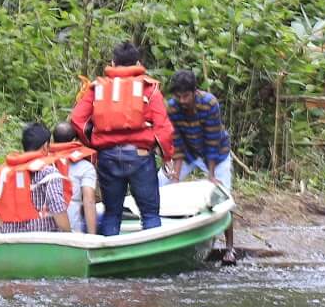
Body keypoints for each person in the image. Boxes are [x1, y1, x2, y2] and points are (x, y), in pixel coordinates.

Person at [68, 41, 175, 235]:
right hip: (140, 156)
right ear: (138, 62)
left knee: (112, 213)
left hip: (107, 156)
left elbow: (77, 119)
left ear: (112, 62)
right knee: (150, 214)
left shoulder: (96, 88)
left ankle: (110, 258)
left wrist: (92, 141)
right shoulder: (149, 88)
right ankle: (151, 259)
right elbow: (163, 129)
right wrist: (168, 157)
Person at [166, 68, 237, 265]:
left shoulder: (209, 103)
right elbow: (177, 141)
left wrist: (211, 175)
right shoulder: (172, 108)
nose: (182, 100)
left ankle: (230, 249)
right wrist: (175, 175)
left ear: (195, 92)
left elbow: (212, 139)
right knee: (162, 186)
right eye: (178, 96)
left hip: (217, 153)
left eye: (186, 96)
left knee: (223, 196)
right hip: (189, 152)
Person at [0, 121, 73, 233]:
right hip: (40, 238)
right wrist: (68, 233)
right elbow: (57, 208)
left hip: (11, 237)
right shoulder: (49, 172)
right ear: (45, 146)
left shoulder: (6, 173)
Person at [50, 121, 100, 236]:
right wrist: (92, 236)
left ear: (53, 141)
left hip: (43, 228)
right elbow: (89, 201)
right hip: (72, 229)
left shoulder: (44, 163)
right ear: (75, 141)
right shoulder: (85, 167)